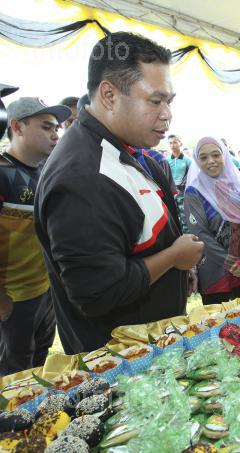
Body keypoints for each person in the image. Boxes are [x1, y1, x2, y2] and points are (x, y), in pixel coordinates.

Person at [34, 32, 204, 354]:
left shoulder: (124, 149)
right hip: (121, 364)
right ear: (109, 95)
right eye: (155, 101)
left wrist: (180, 269)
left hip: (153, 349)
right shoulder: (81, 174)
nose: (167, 114)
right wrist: (173, 257)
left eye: (169, 101)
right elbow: (96, 293)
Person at [0, 97, 70, 375]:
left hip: (45, 293)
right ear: (17, 127)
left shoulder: (46, 172)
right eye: (46, 127)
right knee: (13, 375)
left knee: (38, 368)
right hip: (13, 300)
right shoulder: (2, 173)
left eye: (57, 128)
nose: (55, 134)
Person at [184, 137, 240, 304]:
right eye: (203, 157)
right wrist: (230, 262)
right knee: (218, 317)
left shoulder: (238, 184)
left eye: (216, 155)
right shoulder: (194, 192)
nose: (211, 161)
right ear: (197, 161)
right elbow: (200, 234)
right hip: (215, 271)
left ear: (224, 155)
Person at [168, 133, 191, 232]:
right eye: (170, 143)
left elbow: (192, 176)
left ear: (180, 144)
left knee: (185, 217)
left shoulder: (187, 160)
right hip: (171, 193)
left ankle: (187, 236)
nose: (172, 145)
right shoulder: (166, 160)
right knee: (173, 217)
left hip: (184, 193)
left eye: (175, 142)